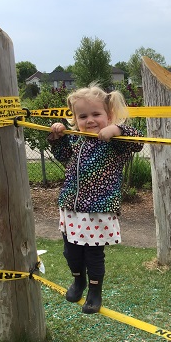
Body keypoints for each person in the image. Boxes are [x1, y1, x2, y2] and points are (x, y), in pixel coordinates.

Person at [48, 83, 144, 314]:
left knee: (93, 255)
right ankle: (78, 281)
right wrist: (58, 137)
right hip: (71, 206)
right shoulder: (76, 139)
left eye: (96, 114)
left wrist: (118, 130)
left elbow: (139, 141)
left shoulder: (114, 143)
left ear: (108, 115)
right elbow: (63, 157)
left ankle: (94, 290)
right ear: (75, 119)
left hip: (97, 209)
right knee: (70, 252)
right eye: (83, 116)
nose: (90, 120)